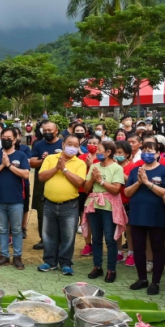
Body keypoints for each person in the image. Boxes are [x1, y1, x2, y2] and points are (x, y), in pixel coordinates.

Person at [125, 140, 165, 295]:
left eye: (151, 151)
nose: (147, 154)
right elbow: (127, 193)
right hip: (137, 215)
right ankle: (142, 279)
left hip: (157, 216)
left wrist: (148, 183)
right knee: (138, 248)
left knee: (158, 249)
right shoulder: (135, 171)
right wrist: (139, 183)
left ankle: (155, 281)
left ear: (158, 154)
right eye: (144, 151)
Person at [37, 134, 86, 274]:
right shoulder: (50, 158)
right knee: (48, 235)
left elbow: (79, 182)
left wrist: (64, 169)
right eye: (70, 144)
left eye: (76, 146)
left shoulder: (80, 163)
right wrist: (56, 168)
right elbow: (41, 177)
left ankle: (65, 263)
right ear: (63, 144)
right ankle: (49, 262)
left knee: (68, 236)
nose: (72, 147)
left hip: (69, 206)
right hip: (49, 204)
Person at [83, 140, 127, 282]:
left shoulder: (117, 168)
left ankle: (111, 269)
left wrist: (100, 181)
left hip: (109, 207)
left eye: (100, 149)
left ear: (108, 152)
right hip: (94, 205)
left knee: (110, 238)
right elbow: (86, 188)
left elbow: (116, 189)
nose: (97, 152)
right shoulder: (94, 166)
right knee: (96, 237)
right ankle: (97, 266)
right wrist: (93, 179)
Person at [0, 127, 31, 269]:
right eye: (3, 138)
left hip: (16, 200)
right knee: (3, 229)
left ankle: (17, 256)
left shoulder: (21, 155)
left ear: (15, 139)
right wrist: (2, 165)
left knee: (17, 230)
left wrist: (9, 165)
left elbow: (25, 174)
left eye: (9, 138)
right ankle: (4, 255)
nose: (6, 140)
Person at [30, 120, 63, 250]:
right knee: (41, 211)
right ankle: (44, 239)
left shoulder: (63, 143)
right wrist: (43, 160)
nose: (48, 132)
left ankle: (60, 239)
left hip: (60, 181)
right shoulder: (38, 144)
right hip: (42, 182)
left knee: (60, 211)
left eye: (50, 130)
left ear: (56, 131)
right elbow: (32, 163)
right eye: (45, 130)